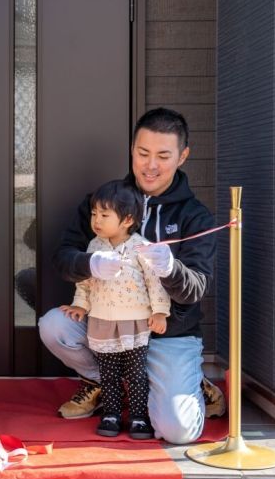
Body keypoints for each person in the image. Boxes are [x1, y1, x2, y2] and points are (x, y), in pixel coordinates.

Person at [38, 107, 226, 444]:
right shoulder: (102, 202)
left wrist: (170, 268)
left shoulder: (195, 216)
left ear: (182, 156)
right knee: (54, 326)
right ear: (131, 150)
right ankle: (104, 381)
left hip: (166, 333)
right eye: (143, 153)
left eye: (163, 156)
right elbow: (63, 258)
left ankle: (188, 383)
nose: (150, 165)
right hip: (108, 324)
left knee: (177, 431)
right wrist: (91, 264)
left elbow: (196, 288)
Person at [59, 180, 170, 439]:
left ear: (127, 219)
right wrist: (80, 304)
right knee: (107, 373)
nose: (96, 220)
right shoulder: (95, 246)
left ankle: (139, 417)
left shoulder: (141, 247)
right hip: (102, 321)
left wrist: (160, 311)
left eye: (104, 215)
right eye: (94, 214)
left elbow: (154, 281)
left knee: (135, 373)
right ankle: (111, 413)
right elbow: (85, 280)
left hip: (134, 321)